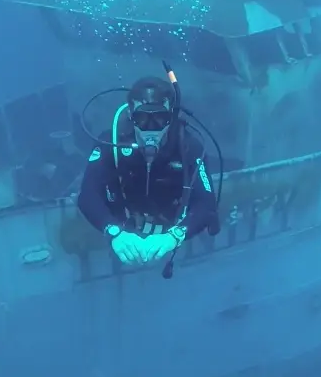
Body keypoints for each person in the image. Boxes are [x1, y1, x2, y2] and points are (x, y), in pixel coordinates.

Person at [77, 76, 217, 266]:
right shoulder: (111, 142)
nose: (151, 129)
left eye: (160, 118)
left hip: (171, 230)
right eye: (142, 118)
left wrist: (174, 236)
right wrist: (113, 231)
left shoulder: (189, 148)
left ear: (171, 118)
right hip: (124, 229)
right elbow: (87, 195)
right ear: (131, 117)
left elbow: (207, 202)